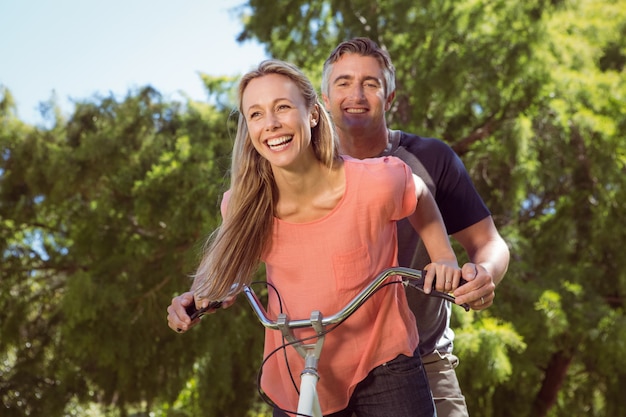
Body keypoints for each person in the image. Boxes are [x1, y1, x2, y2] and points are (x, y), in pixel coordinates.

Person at [167, 59, 462, 416]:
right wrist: (199, 299)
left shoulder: (373, 183)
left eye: (283, 107)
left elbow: (418, 194)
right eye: (256, 115)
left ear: (312, 115)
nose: (271, 124)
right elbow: (230, 275)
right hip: (297, 371)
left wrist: (442, 255)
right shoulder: (243, 204)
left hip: (384, 360)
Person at [321, 38, 511, 417]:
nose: (356, 94)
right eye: (343, 83)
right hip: (326, 366)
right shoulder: (304, 169)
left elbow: (489, 242)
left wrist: (484, 272)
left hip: (424, 361)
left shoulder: (430, 158)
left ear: (389, 99)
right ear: (325, 98)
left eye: (370, 84)